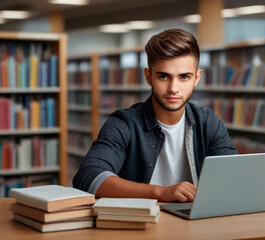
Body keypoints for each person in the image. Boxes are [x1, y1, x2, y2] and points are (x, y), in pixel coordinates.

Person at [73, 29, 237, 203]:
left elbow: (233, 176)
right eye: (164, 76)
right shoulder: (123, 124)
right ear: (148, 76)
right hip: (139, 224)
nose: (173, 88)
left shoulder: (208, 123)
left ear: (196, 78)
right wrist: (160, 192)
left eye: (184, 77)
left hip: (194, 224)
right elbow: (88, 177)